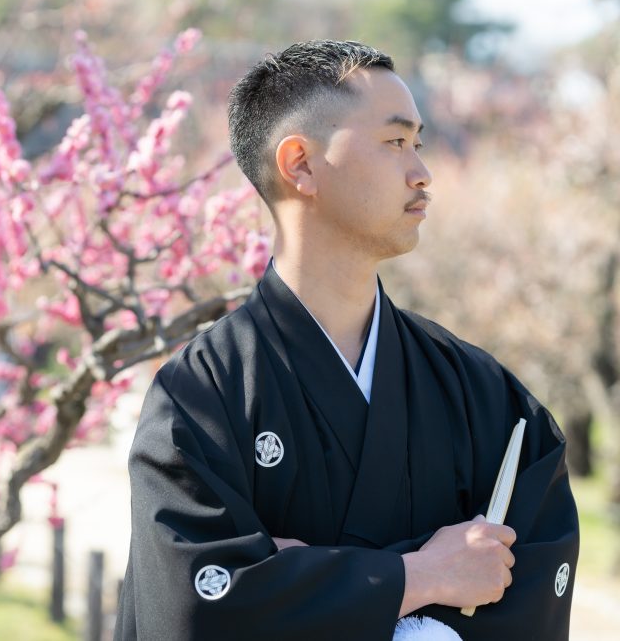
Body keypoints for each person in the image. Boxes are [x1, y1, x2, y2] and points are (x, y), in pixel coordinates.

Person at [114, 40, 579, 640]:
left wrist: (294, 577)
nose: (422, 171)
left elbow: (532, 579)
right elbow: (196, 602)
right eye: (395, 142)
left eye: (419, 144)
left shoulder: (481, 392)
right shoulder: (202, 396)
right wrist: (420, 575)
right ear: (301, 164)